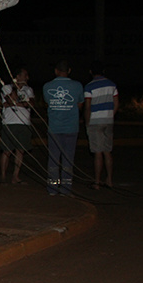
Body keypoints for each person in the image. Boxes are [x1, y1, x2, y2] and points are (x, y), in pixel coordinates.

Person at [42, 60, 84, 196]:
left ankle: (52, 188)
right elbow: (79, 104)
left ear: (56, 71)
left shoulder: (47, 86)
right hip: (71, 127)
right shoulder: (77, 86)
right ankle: (66, 188)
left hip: (54, 127)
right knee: (68, 160)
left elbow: (48, 103)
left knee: (53, 159)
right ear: (69, 70)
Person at [84, 61, 119, 189]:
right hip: (108, 120)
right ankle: (109, 179)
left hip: (95, 120)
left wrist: (87, 122)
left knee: (97, 152)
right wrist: (110, 114)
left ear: (91, 72)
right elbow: (116, 103)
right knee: (107, 151)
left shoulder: (89, 87)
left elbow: (88, 106)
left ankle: (97, 181)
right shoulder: (112, 85)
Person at [0, 67, 35, 184]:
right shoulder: (7, 87)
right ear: (17, 76)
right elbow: (9, 100)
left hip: (24, 122)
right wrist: (15, 88)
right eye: (25, 75)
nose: (27, 78)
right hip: (10, 122)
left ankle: (15, 176)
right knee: (7, 150)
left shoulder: (28, 89)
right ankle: (3, 176)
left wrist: (17, 103)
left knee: (20, 150)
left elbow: (31, 104)